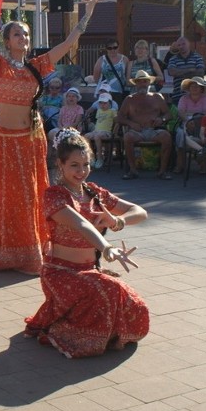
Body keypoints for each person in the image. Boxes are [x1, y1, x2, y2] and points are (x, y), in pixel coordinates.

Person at [0, 0, 101, 274]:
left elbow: (67, 45)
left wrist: (86, 13)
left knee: (32, 195)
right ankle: (6, 251)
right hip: (6, 139)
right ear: (7, 39)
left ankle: (31, 251)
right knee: (8, 195)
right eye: (16, 33)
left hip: (31, 139)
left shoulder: (37, 65)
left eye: (25, 33)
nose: (22, 37)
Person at [24, 128, 150, 359]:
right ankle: (68, 328)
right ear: (60, 165)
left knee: (136, 307)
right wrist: (107, 247)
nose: (81, 171)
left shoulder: (95, 193)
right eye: (74, 165)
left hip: (89, 271)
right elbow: (82, 225)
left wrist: (118, 220)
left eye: (86, 164)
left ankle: (101, 330)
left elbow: (140, 212)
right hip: (61, 273)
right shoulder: (55, 195)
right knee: (108, 290)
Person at [116, 70, 173, 180]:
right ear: (136, 84)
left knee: (166, 137)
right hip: (136, 131)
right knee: (128, 137)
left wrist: (162, 119)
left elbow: (168, 114)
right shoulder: (130, 99)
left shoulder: (157, 97)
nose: (142, 84)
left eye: (145, 81)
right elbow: (119, 117)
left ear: (149, 83)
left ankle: (162, 171)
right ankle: (133, 170)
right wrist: (131, 123)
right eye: (140, 81)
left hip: (154, 130)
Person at [173, 76, 206, 174]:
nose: (194, 88)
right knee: (181, 135)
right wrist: (188, 121)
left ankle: (203, 166)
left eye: (197, 86)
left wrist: (193, 116)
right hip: (185, 124)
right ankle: (179, 166)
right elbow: (181, 112)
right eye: (192, 86)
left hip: (203, 125)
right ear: (189, 88)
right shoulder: (183, 98)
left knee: (203, 134)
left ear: (202, 88)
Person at [84, 92, 117, 170]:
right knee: (85, 136)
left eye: (105, 103)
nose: (102, 105)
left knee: (97, 136)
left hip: (107, 132)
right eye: (101, 103)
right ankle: (91, 156)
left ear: (110, 103)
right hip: (97, 130)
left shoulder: (113, 111)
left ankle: (100, 157)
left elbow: (117, 122)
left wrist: (114, 132)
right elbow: (98, 121)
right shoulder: (99, 111)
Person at [92, 39, 130, 104]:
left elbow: (127, 75)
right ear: (106, 49)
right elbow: (96, 78)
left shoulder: (125, 59)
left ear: (118, 47)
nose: (113, 50)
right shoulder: (101, 60)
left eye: (115, 47)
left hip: (120, 92)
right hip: (104, 92)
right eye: (110, 48)